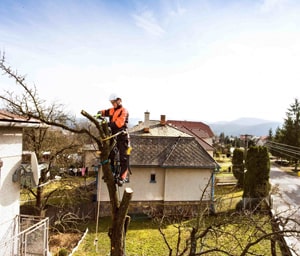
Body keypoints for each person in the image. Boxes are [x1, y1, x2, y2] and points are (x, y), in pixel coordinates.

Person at [98, 93, 130, 186]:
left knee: (123, 157)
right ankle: (110, 172)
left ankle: (122, 177)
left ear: (118, 101)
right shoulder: (113, 110)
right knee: (110, 154)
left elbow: (119, 124)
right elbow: (105, 112)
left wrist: (107, 124)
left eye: (113, 102)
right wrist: (99, 113)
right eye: (111, 102)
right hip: (114, 136)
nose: (112, 104)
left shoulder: (124, 111)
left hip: (122, 136)